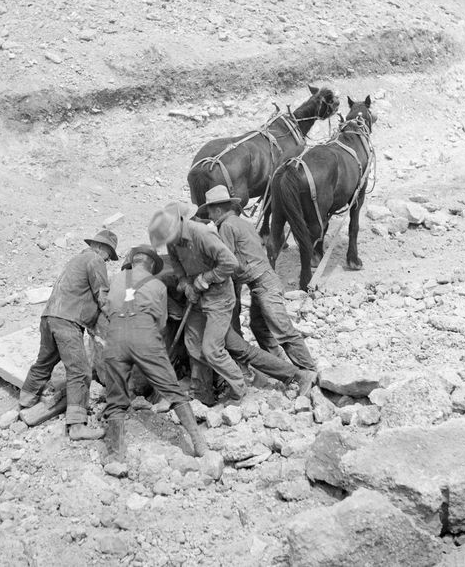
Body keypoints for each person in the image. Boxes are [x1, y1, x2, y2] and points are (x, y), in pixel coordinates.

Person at [198, 185, 317, 397]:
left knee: (283, 330)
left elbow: (228, 262)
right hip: (263, 282)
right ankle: (285, 371)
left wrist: (208, 278)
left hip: (262, 283)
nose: (209, 215)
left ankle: (309, 373)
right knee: (260, 328)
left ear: (217, 209)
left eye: (210, 211)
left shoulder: (226, 227)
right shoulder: (242, 223)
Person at [101, 244, 207, 461]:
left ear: (132, 261)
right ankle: (198, 443)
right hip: (145, 335)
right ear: (151, 265)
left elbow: (107, 304)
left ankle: (115, 456)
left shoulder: (116, 279)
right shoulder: (157, 285)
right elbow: (161, 323)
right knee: (171, 388)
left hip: (114, 336)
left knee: (116, 398)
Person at [19, 229, 118, 441]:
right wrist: (115, 318)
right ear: (102, 248)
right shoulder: (95, 260)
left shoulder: (76, 260)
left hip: (49, 316)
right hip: (67, 321)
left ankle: (26, 398)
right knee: (80, 371)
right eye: (109, 254)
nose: (109, 259)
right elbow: (102, 295)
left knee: (45, 360)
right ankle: (76, 426)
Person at [148, 201, 246, 405]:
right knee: (193, 345)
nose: (169, 242)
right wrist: (186, 285)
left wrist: (204, 280)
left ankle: (239, 389)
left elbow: (230, 263)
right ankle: (202, 394)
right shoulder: (172, 242)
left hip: (220, 297)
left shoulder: (202, 234)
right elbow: (177, 267)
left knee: (212, 349)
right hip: (197, 298)